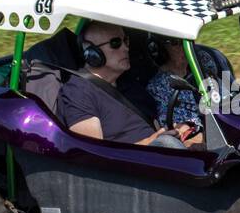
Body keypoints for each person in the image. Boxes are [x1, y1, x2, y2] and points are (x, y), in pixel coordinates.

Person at [57, 21, 202, 148]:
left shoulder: (129, 83)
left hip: (160, 154)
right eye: (115, 43)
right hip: (129, 172)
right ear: (92, 53)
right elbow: (92, 153)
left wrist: (185, 138)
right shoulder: (78, 91)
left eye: (126, 40)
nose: (125, 48)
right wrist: (150, 143)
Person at [146, 35, 216, 127]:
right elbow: (178, 128)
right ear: (161, 49)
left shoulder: (204, 61)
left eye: (187, 41)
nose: (184, 47)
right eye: (176, 43)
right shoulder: (157, 88)